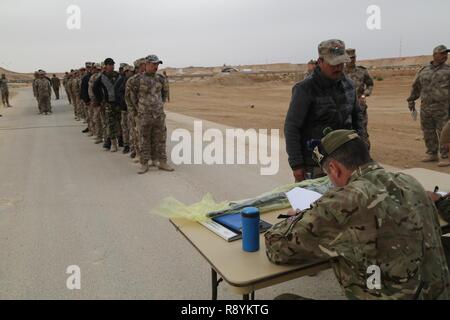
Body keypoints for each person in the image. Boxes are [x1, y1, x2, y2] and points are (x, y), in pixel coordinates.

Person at [265, 128, 450, 300]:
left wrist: (295, 218)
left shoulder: (344, 201)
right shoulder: (410, 182)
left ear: (334, 169)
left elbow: (277, 248)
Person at [284, 39, 364, 183]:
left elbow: (357, 120)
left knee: (347, 203)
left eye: (341, 63)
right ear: (320, 61)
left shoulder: (349, 85)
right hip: (315, 165)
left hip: (346, 162)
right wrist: (297, 166)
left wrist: (362, 151)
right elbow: (292, 127)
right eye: (333, 64)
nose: (338, 67)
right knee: (311, 204)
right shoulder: (305, 89)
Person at [129, 54, 174, 174]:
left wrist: (158, 106)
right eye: (154, 64)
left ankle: (162, 162)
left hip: (158, 115)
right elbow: (130, 97)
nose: (156, 66)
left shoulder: (161, 79)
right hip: (144, 115)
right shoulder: (136, 80)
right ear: (146, 64)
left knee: (160, 139)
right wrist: (137, 111)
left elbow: (164, 95)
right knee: (144, 139)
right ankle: (144, 164)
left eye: (157, 64)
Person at [407, 45, 450, 166]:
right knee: (428, 131)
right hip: (426, 107)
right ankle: (432, 153)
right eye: (442, 53)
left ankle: (446, 156)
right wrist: (411, 100)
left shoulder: (448, 70)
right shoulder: (424, 70)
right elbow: (416, 86)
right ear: (434, 55)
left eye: (446, 54)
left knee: (444, 132)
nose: (445, 56)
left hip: (444, 108)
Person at [345, 48, 374, 149]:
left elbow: (370, 84)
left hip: (359, 105)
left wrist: (365, 94)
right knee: (346, 131)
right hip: (344, 107)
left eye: (353, 58)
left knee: (362, 129)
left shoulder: (362, 71)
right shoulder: (339, 73)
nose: (351, 60)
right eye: (349, 58)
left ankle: (365, 152)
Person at [93, 58, 121, 152]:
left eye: (113, 64)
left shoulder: (118, 75)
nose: (112, 66)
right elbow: (95, 88)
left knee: (119, 123)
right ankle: (113, 144)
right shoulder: (102, 77)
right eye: (110, 64)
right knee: (111, 123)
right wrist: (100, 99)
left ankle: (120, 141)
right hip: (108, 104)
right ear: (105, 66)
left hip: (118, 103)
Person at [116, 64, 134, 154]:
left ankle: (131, 145)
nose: (132, 73)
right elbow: (118, 93)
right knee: (125, 127)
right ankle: (126, 145)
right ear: (126, 72)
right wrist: (122, 102)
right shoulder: (122, 80)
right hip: (124, 108)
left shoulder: (132, 80)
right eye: (130, 71)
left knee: (132, 128)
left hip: (131, 109)